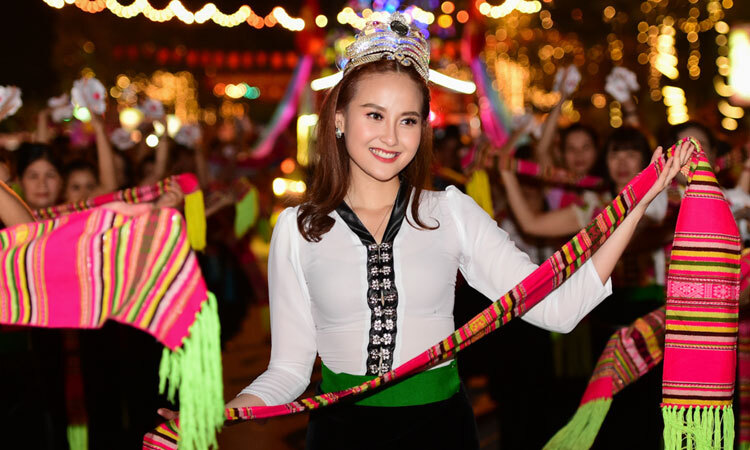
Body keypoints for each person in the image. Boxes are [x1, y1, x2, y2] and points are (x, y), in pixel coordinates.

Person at [159, 12, 691, 449]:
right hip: (340, 435)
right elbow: (290, 370)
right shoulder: (296, 230)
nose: (391, 137)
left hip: (439, 431)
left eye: (408, 120)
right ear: (339, 119)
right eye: (374, 115)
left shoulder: (450, 212)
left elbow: (559, 309)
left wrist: (638, 201)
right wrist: (225, 411)